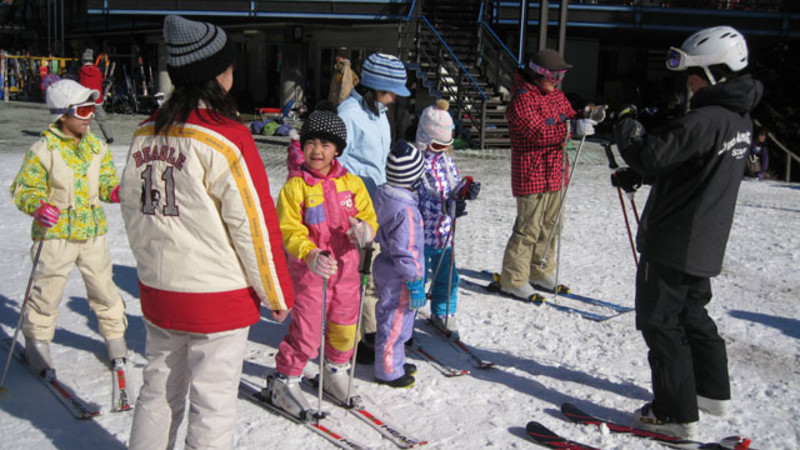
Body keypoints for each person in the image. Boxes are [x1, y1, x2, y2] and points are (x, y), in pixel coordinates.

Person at [120, 16, 295, 450]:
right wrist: (276, 293)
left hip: (162, 291)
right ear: (217, 74)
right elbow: (253, 226)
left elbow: (132, 209)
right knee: (212, 404)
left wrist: (149, 272)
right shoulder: (225, 137)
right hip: (217, 299)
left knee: (158, 392)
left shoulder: (145, 132)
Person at [613, 25, 762, 438]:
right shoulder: (738, 117)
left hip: (674, 240)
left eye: (695, 74)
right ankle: (711, 392)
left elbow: (649, 154)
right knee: (693, 314)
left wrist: (627, 124)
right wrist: (641, 176)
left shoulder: (705, 118)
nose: (690, 83)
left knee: (661, 322)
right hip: (704, 239)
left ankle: (674, 413)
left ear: (716, 72)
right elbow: (694, 168)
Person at [9, 79, 129, 379]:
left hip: (91, 233)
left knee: (104, 288)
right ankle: (37, 341)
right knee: (47, 291)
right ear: (63, 114)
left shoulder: (96, 148)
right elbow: (23, 189)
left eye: (92, 109)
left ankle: (115, 337)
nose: (90, 117)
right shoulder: (43, 149)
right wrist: (38, 206)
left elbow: (104, 184)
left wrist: (115, 192)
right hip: (54, 237)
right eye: (84, 110)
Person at [269, 110, 378, 418]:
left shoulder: (353, 185)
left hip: (347, 271)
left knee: (345, 325)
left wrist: (365, 231)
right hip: (311, 275)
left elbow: (369, 217)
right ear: (302, 146)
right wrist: (310, 253)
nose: (317, 150)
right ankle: (286, 378)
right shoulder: (295, 188)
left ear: (338, 150)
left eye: (326, 144)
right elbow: (289, 230)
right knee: (306, 330)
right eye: (311, 143)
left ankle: (335, 371)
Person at [496, 49, 603, 300]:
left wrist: (588, 113)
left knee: (552, 225)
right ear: (538, 73)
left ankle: (540, 270)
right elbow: (538, 132)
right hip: (531, 173)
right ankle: (514, 278)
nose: (557, 81)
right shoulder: (522, 99)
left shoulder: (555, 96)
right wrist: (572, 128)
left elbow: (570, 113)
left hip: (555, 171)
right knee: (528, 228)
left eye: (561, 75)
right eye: (553, 75)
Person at [337, 52, 410, 364]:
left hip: (375, 203)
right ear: (374, 86)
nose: (392, 99)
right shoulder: (349, 115)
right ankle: (352, 339)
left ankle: (371, 332)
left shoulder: (378, 112)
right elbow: (336, 164)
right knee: (357, 274)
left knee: (373, 272)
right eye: (389, 92)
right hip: (354, 208)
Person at [416, 99, 476, 338]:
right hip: (420, 235)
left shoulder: (448, 163)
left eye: (445, 144)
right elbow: (419, 197)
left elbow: (453, 187)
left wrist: (465, 191)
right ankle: (405, 312)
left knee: (448, 276)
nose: (441, 149)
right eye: (436, 144)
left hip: (444, 233)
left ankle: (443, 311)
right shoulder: (415, 163)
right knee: (415, 278)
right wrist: (443, 205)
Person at [372, 139, 426, 388]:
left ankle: (395, 360)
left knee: (395, 318)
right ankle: (388, 370)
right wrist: (414, 280)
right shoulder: (405, 211)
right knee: (395, 322)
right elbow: (407, 249)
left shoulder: (386, 196)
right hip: (401, 275)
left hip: (387, 268)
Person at [78, 48, 114, 144]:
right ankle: (109, 137)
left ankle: (84, 136)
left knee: (84, 119)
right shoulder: (97, 71)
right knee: (101, 119)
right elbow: (100, 81)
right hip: (97, 99)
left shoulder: (81, 71)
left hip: (85, 99)